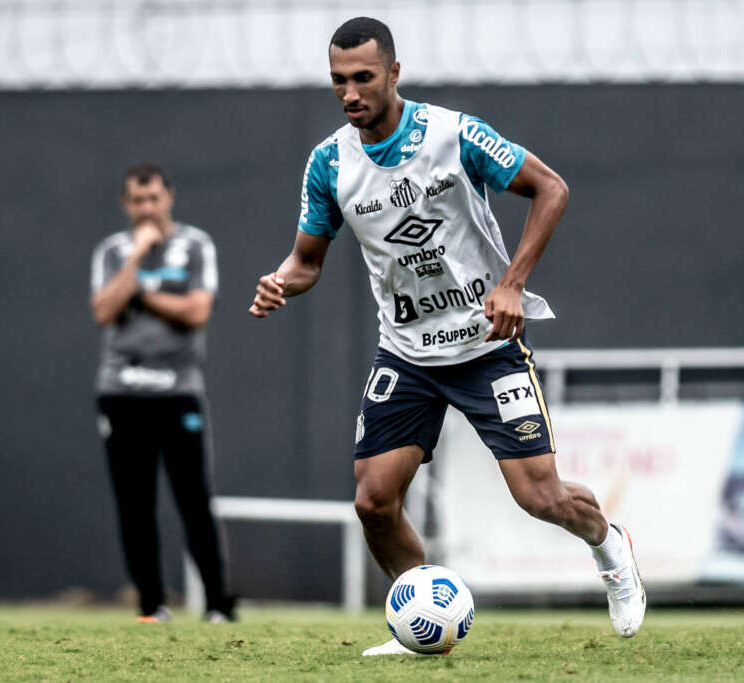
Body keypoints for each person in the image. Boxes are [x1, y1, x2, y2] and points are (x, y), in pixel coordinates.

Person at [249, 18, 645, 654]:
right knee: (374, 502)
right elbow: (307, 261)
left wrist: (512, 284)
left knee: (540, 496)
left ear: (394, 73)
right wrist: (280, 282)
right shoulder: (329, 162)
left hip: (486, 347)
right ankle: (422, 620)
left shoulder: (454, 134)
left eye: (363, 78)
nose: (350, 93)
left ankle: (609, 545)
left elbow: (551, 189)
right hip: (406, 355)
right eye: (338, 81)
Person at [91, 163, 235, 623]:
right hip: (121, 392)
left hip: (177, 391)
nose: (147, 208)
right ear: (125, 204)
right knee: (134, 505)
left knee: (194, 500)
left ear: (169, 197)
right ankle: (151, 606)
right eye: (137, 200)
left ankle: (217, 605)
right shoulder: (112, 252)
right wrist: (136, 259)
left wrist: (140, 296)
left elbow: (196, 312)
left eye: (153, 198)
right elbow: (103, 310)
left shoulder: (195, 245)